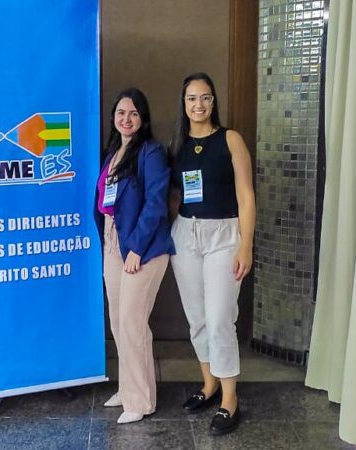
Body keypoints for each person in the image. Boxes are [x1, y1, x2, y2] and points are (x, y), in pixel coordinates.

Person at [168, 72, 256, 436]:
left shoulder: (230, 139)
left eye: (205, 97)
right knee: (198, 318)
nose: (199, 105)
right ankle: (209, 384)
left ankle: (230, 399)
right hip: (186, 235)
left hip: (224, 235)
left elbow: (246, 195)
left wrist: (246, 244)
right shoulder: (176, 144)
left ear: (213, 100)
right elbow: (171, 195)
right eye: (192, 98)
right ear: (184, 103)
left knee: (221, 318)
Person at [95, 88, 175, 424]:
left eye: (133, 113)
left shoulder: (151, 152)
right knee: (117, 321)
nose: (126, 119)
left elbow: (156, 203)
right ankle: (128, 389)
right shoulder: (113, 151)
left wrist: (137, 249)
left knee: (132, 322)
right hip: (113, 243)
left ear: (143, 119)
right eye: (121, 112)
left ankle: (141, 400)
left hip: (143, 248)